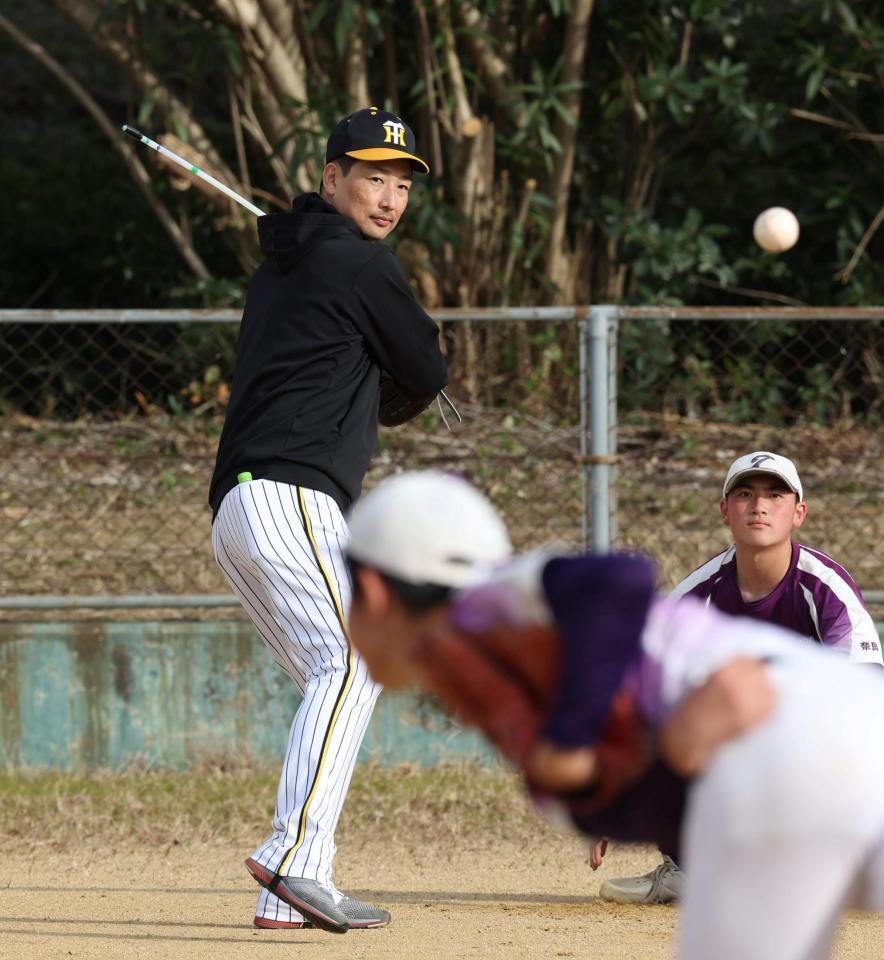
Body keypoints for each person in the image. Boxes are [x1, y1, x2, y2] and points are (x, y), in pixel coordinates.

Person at [344, 470, 884, 960]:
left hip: (796, 736)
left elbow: (616, 580)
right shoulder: (474, 667)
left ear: (373, 591)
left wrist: (571, 741)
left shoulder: (485, 606)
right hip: (776, 774)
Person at [208, 107, 448, 934]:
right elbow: (427, 362)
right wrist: (404, 381)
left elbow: (342, 359)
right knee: (353, 662)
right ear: (330, 177)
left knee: (340, 673)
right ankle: (292, 856)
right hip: (290, 495)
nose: (388, 195)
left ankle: (289, 894)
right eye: (372, 175)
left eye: (401, 181)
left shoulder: (287, 261)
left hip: (244, 510)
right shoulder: (356, 264)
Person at [600, 449, 882, 905]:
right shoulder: (698, 594)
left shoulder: (823, 587)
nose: (760, 506)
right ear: (725, 511)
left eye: (776, 495)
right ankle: (688, 868)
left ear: (799, 513)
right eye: (745, 494)